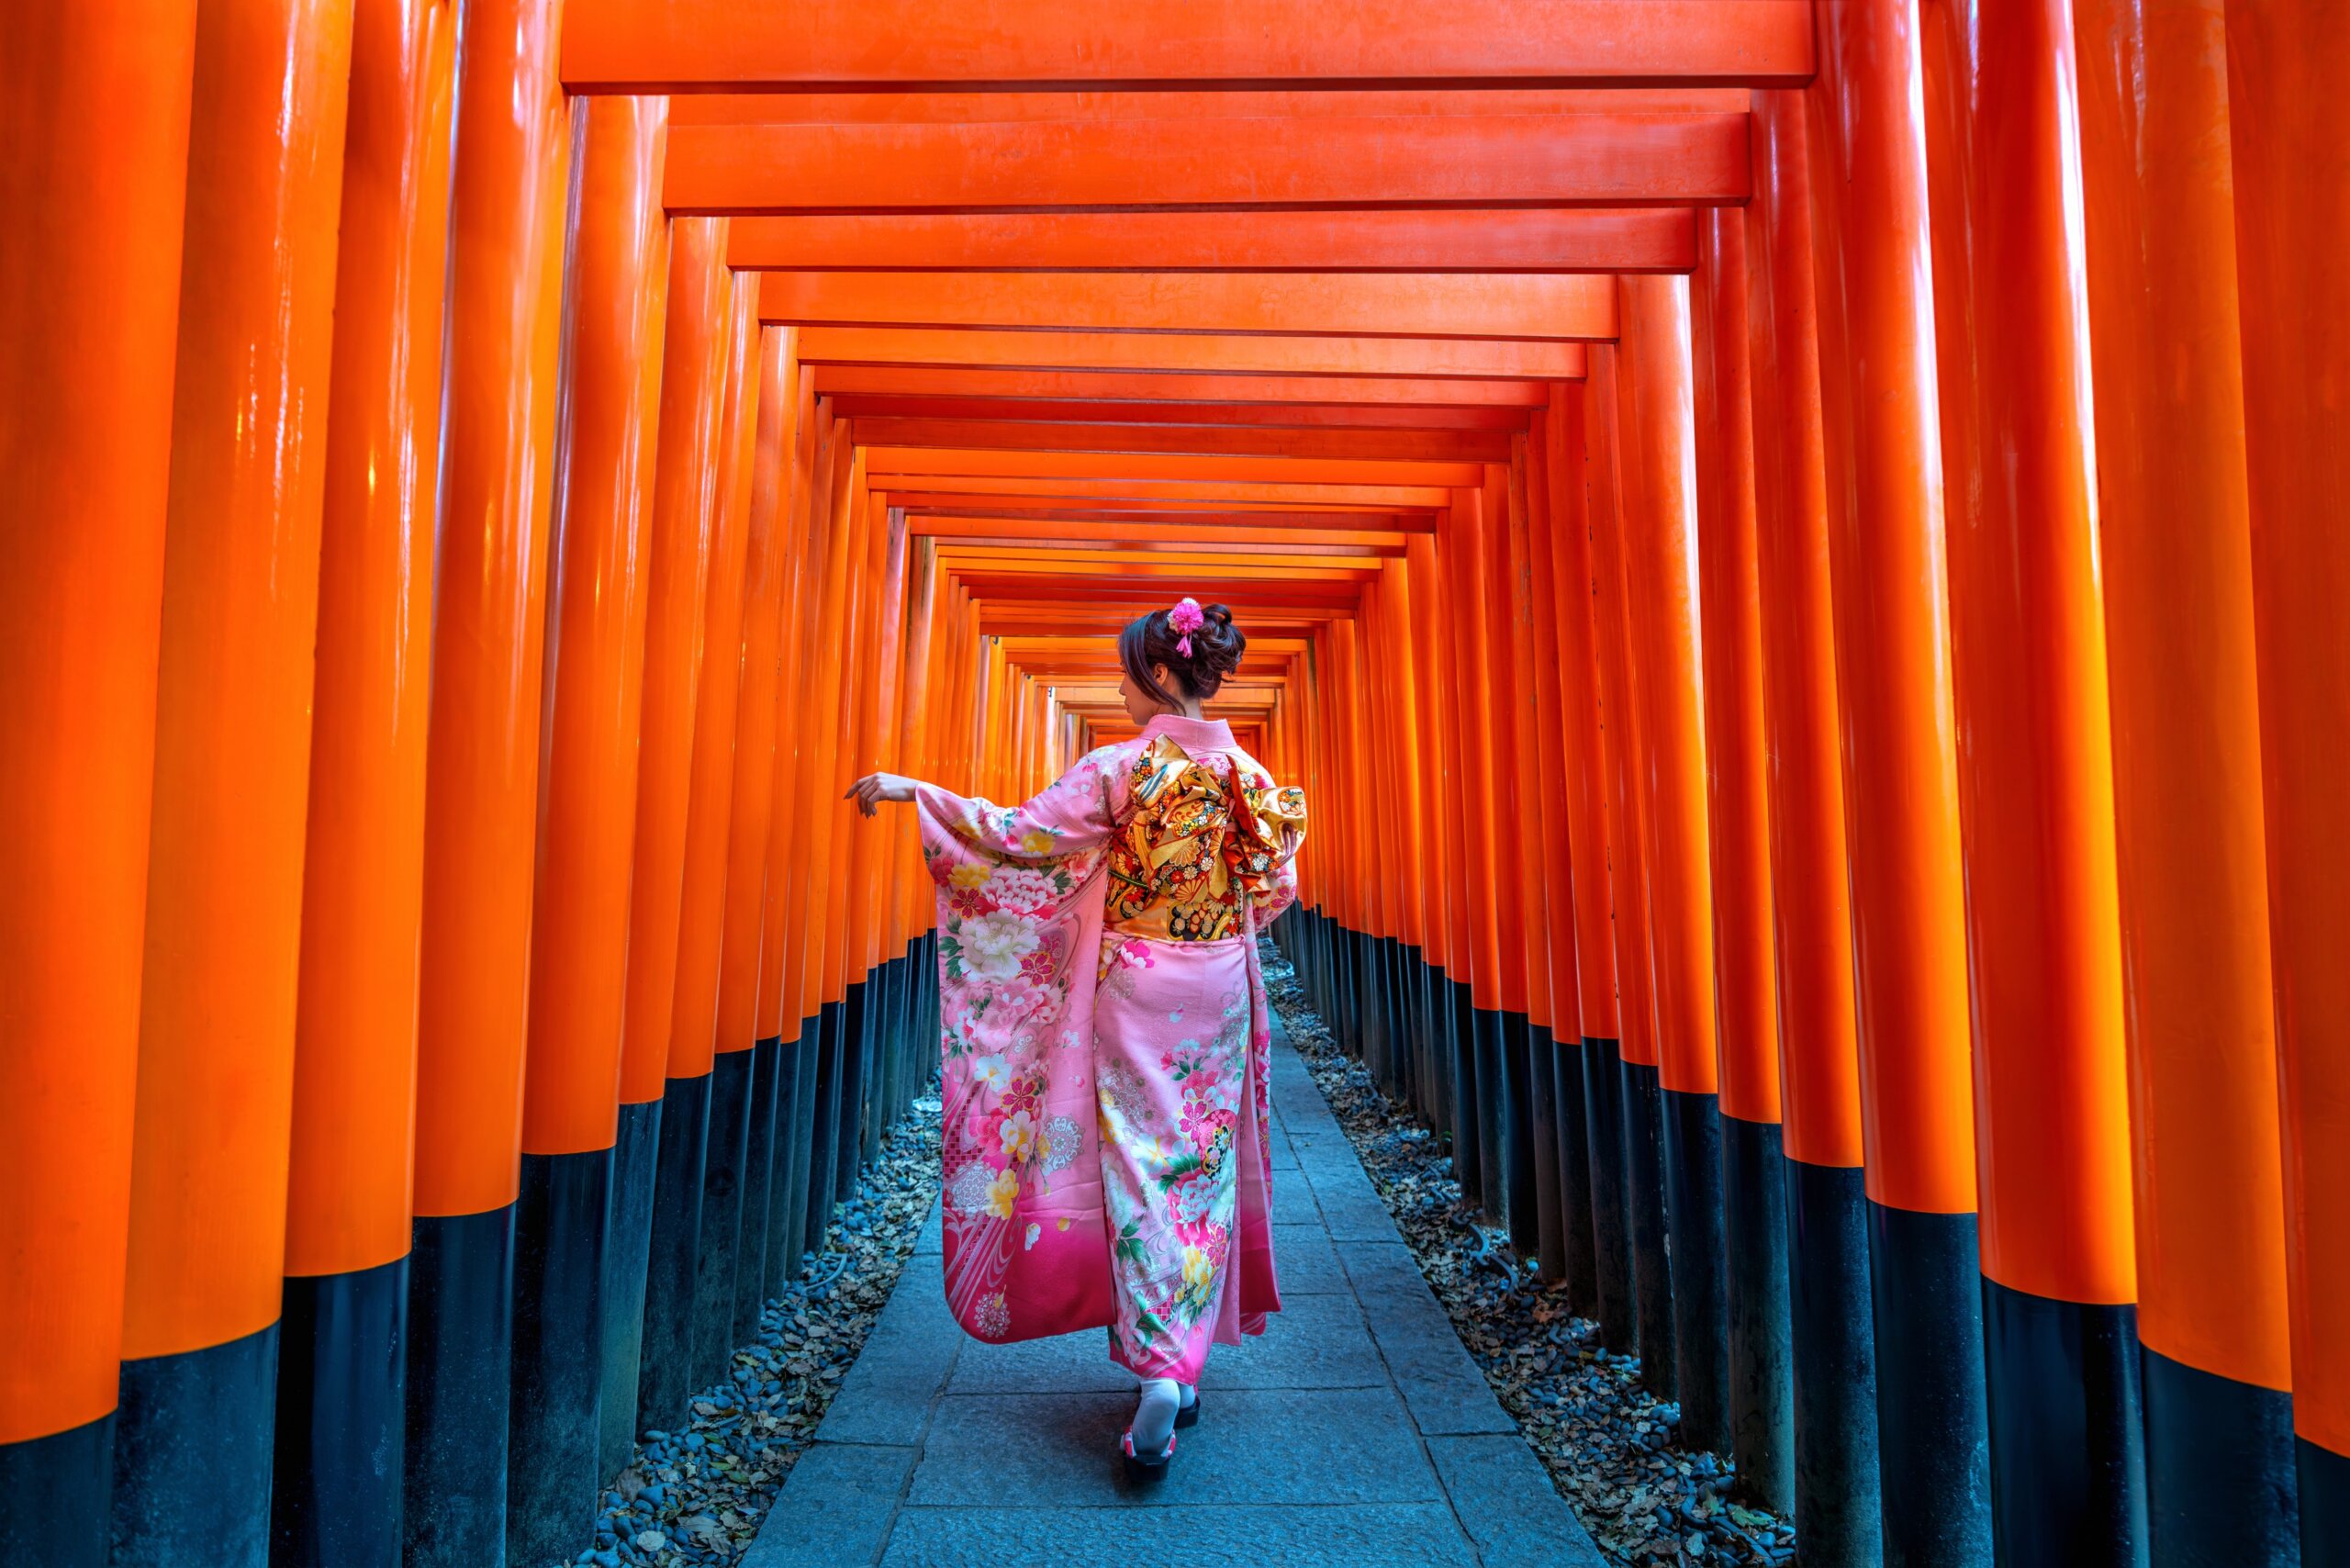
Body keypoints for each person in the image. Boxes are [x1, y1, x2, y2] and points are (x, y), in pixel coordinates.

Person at [848, 597, 1307, 1480]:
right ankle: (1180, 1358)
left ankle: (1161, 1373)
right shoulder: (1250, 777)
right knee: (1199, 1166)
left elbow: (1021, 840)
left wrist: (924, 794)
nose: (1126, 693)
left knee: (1136, 1158)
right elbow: (1277, 889)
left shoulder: (1119, 769)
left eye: (1133, 677)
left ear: (1164, 676)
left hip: (1136, 979)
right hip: (1218, 982)